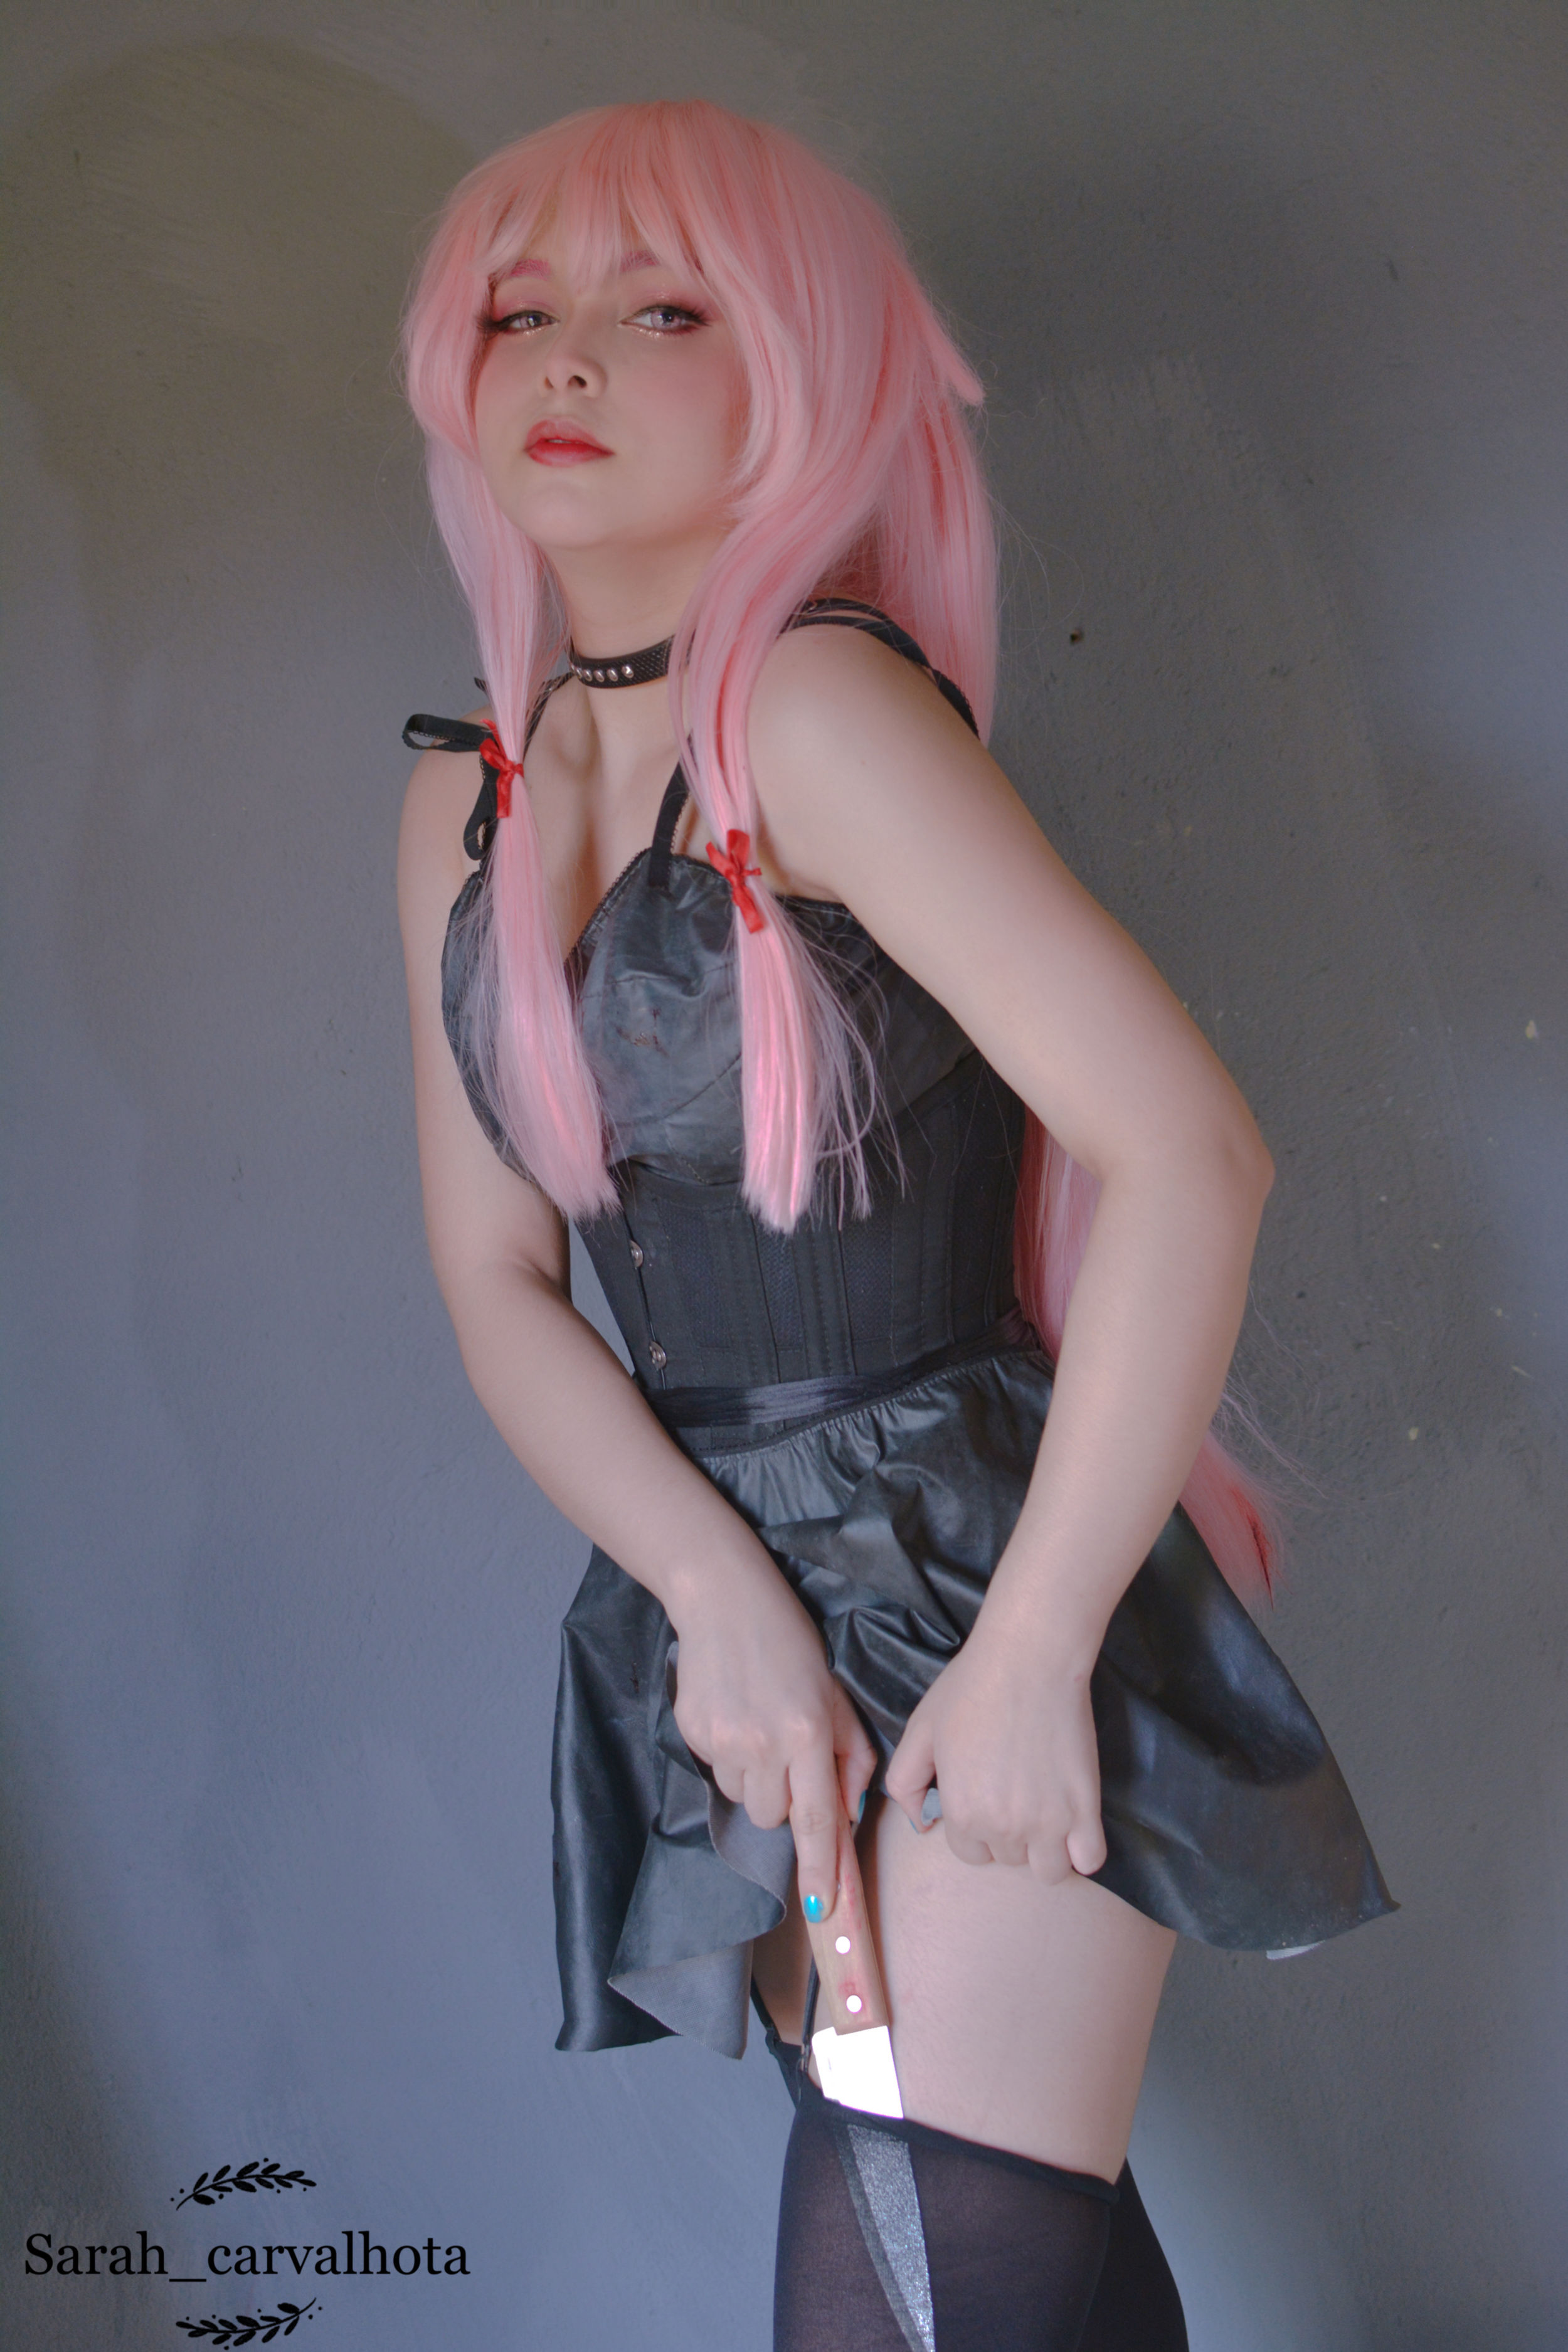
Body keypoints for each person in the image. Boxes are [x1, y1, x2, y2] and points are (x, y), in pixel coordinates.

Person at [396, 98, 1392, 2351]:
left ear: (799, 376)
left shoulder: (816, 716)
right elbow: (493, 1275)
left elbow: (1188, 1154)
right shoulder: (468, 787)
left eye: (666, 312)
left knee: (918, 2299)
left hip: (981, 1568)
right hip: (719, 1600)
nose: (570, 360)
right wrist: (711, 1603)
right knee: (1018, 2300)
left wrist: (1034, 1652)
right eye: (519, 312)